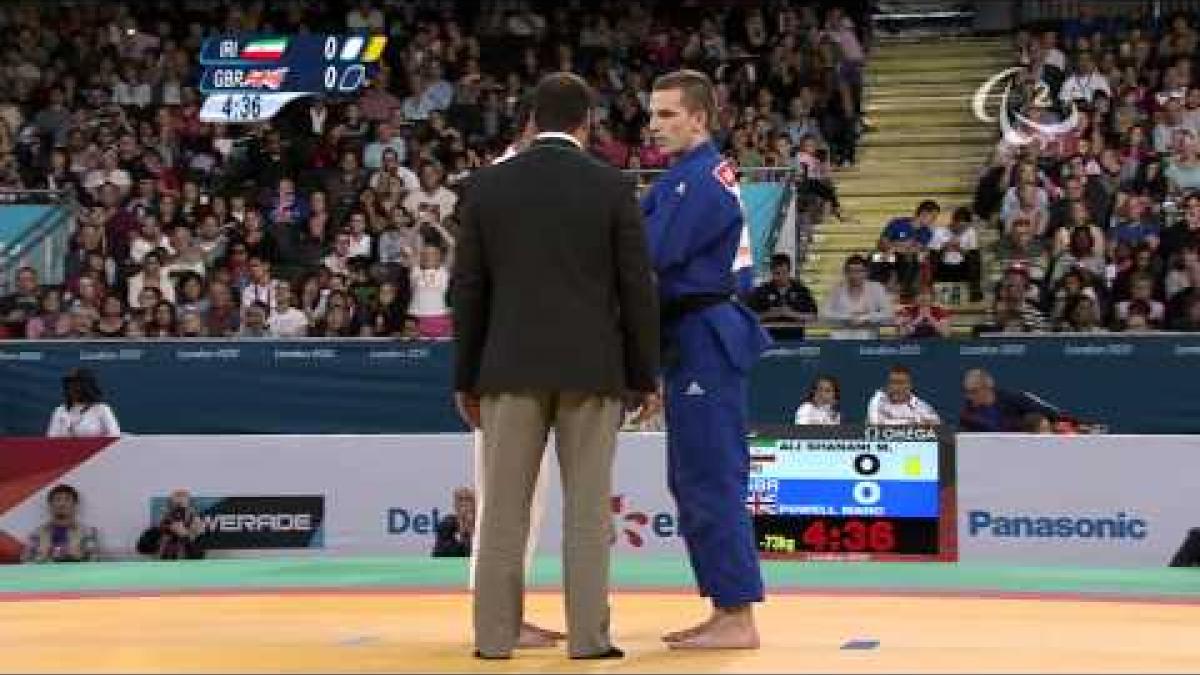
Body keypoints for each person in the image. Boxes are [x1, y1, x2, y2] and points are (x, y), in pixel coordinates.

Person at [453, 72, 659, 661]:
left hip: (506, 368)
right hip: (591, 371)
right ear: (585, 122)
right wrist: (643, 374)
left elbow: (468, 292)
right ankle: (590, 640)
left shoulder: (487, 188)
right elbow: (635, 290)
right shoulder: (612, 186)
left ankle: (494, 639)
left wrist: (465, 377)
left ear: (530, 119)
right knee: (588, 515)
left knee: (501, 516)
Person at [641, 69, 770, 651]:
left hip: (705, 334)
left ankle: (738, 614)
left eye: (668, 114)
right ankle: (726, 607)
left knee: (710, 475)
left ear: (700, 117)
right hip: (692, 334)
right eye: (652, 114)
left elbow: (651, 253)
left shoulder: (699, 181)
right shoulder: (684, 178)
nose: (655, 125)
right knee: (693, 476)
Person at [464, 95, 563, 647]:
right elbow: (475, 286)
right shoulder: (501, 183)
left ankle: (505, 614)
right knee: (504, 500)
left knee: (520, 501)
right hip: (506, 361)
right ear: (531, 127)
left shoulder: (509, 182)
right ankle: (498, 618)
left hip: (520, 355)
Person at [958, 368, 1060, 432]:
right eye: (967, 391)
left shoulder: (1013, 398)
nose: (969, 396)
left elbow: (1051, 414)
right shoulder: (967, 415)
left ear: (988, 387)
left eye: (974, 391)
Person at [23, 484, 99, 563]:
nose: (62, 504)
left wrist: (77, 557)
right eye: (58, 499)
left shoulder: (87, 532)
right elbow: (26, 561)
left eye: (67, 499)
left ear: (75, 505)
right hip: (46, 574)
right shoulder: (38, 533)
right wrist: (42, 557)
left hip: (75, 574)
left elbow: (94, 560)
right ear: (50, 505)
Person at [46, 368, 121, 437]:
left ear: (87, 388)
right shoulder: (60, 410)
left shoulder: (102, 409)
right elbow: (51, 439)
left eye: (76, 386)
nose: (72, 389)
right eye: (69, 386)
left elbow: (114, 435)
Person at [865, 365, 941, 426]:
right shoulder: (877, 402)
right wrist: (913, 422)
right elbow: (875, 424)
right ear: (887, 385)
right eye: (893, 382)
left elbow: (937, 427)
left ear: (910, 385)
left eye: (902, 383)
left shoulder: (921, 406)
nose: (897, 387)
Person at [433, 486, 475, 558]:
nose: (464, 503)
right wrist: (462, 532)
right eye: (460, 500)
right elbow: (439, 554)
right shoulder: (447, 524)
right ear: (455, 505)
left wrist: (470, 529)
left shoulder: (483, 525)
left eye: (468, 500)